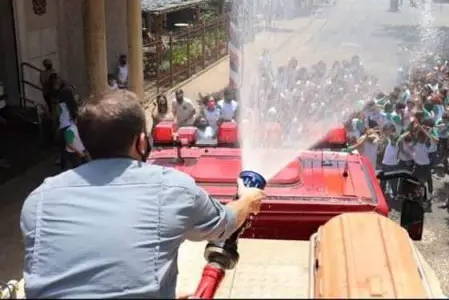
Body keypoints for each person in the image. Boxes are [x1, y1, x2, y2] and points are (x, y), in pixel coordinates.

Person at [20, 90, 265, 298]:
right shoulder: (172, 188)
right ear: (141, 142)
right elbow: (225, 224)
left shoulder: (39, 199)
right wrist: (248, 199)